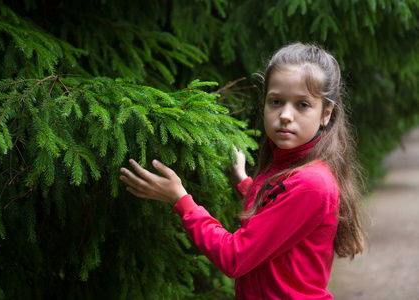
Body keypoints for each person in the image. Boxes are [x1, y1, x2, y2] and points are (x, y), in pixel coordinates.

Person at [119, 42, 365, 299]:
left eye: (302, 105)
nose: (285, 115)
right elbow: (276, 213)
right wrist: (245, 182)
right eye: (276, 101)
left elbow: (235, 257)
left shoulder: (312, 183)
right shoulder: (288, 166)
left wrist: (181, 201)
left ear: (326, 114)